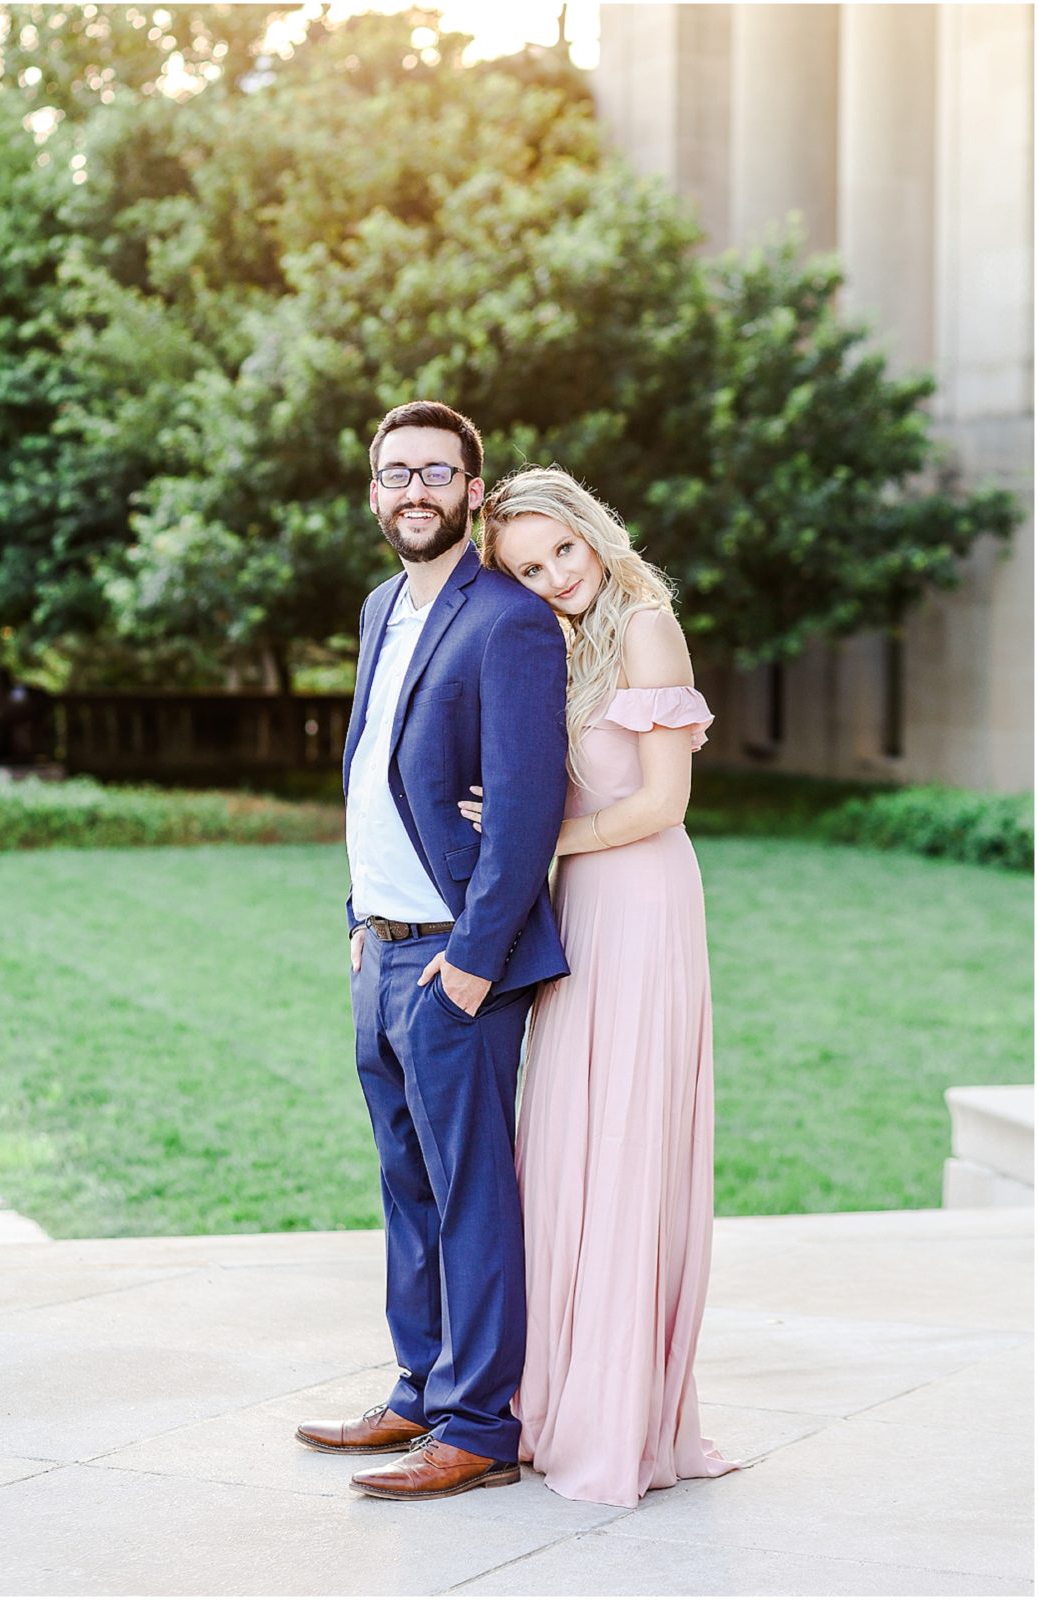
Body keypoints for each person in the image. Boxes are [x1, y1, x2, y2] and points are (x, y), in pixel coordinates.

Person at [296, 404, 570, 1502]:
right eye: (394, 472)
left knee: (470, 1195)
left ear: (470, 487)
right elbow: (372, 763)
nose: (414, 489)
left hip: (458, 960)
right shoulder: (379, 608)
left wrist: (473, 957)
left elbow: (522, 807)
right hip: (381, 946)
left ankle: (478, 1423)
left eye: (435, 472)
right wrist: (358, 915)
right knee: (407, 1182)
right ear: (372, 491)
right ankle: (419, 1384)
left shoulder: (506, 619)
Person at [469, 464, 738, 1509]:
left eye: (561, 553)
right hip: (579, 902)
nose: (551, 579)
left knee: (623, 1144)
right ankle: (557, 1390)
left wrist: (544, 835)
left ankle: (620, 1414)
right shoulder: (566, 638)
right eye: (527, 570)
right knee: (566, 1142)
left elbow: (664, 801)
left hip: (641, 903)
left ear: (594, 534)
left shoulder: (644, 623)